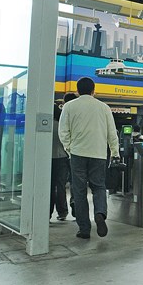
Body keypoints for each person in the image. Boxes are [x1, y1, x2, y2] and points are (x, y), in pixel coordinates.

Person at [59, 77, 120, 239]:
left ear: (77, 91)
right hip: (99, 154)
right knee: (98, 187)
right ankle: (100, 213)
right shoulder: (104, 107)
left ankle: (84, 229)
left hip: (78, 154)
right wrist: (115, 153)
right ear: (94, 90)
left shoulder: (69, 106)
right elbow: (112, 133)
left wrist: (70, 149)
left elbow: (63, 131)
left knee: (79, 192)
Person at [51, 103, 70, 221]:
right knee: (61, 186)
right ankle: (62, 212)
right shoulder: (61, 126)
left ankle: (46, 212)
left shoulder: (47, 125)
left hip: (48, 159)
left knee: (49, 186)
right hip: (62, 159)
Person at [62, 92, 78, 217]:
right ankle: (75, 204)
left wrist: (68, 148)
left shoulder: (63, 112)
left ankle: (62, 211)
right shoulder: (79, 113)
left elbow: (63, 132)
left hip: (61, 156)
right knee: (75, 182)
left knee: (59, 184)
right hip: (76, 154)